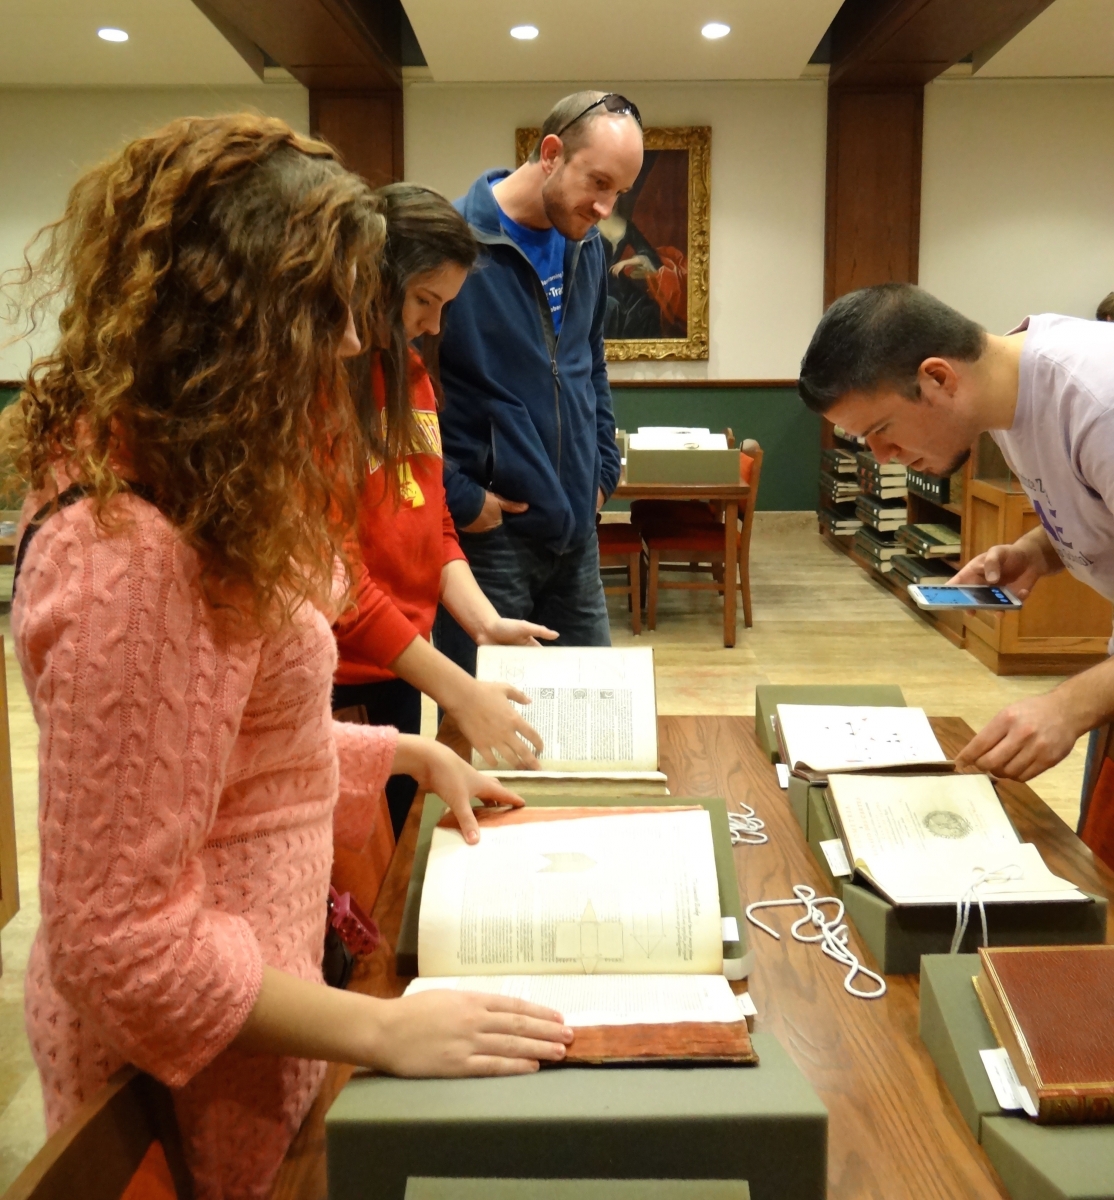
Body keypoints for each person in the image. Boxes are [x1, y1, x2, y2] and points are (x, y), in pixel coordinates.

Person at [8, 114, 571, 1200]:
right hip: (194, 1071)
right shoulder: (130, 554)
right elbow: (119, 945)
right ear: (223, 313)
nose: (357, 345)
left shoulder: (189, 479)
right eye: (324, 310)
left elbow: (216, 753)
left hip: (254, 1023)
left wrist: (401, 760)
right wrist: (379, 1029)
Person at [797, 283, 1114, 795]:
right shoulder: (1013, 394)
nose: (880, 456)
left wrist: (1067, 706)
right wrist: (1037, 550)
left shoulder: (1100, 403)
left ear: (938, 377)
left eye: (882, 428)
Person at [333, 183, 557, 837]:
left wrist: (483, 622)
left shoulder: (409, 375)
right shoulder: (322, 391)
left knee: (395, 841)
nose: (433, 326)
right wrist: (457, 690)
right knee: (354, 870)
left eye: (444, 307)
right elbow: (339, 579)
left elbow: (430, 517)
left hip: (402, 662)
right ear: (374, 279)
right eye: (424, 301)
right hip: (343, 672)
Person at [433, 91, 644, 676]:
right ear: (551, 153)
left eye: (618, 193)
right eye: (597, 183)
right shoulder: (453, 243)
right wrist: (463, 499)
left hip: (576, 532)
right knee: (489, 729)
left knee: (591, 717)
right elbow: (403, 400)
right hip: (487, 543)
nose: (605, 208)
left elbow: (590, 365)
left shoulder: (589, 253)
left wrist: (602, 469)